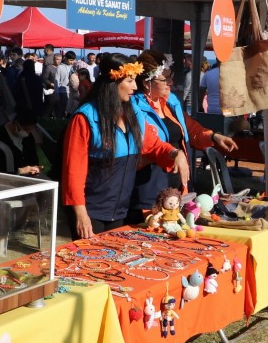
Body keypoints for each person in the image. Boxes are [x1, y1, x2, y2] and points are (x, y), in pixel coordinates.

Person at [62, 54, 189, 239]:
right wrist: (81, 215)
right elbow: (73, 172)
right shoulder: (84, 118)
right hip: (91, 213)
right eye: (130, 81)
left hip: (122, 211)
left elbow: (153, 144)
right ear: (113, 82)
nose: (135, 87)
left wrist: (175, 153)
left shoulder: (133, 113)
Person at [127, 50, 237, 223]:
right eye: (165, 78)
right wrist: (174, 153)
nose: (170, 82)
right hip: (149, 185)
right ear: (147, 82)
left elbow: (190, 128)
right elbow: (147, 143)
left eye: (171, 77)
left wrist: (214, 137)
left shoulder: (170, 102)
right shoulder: (134, 107)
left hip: (176, 184)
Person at [0, 108, 44, 175]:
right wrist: (20, 171)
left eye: (30, 129)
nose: (28, 132)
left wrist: (35, 168)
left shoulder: (28, 137)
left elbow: (33, 157)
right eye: (26, 129)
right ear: (17, 123)